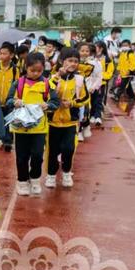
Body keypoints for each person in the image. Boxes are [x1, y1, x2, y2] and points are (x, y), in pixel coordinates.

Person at [6, 52, 60, 196]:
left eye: (39, 71)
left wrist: (47, 105)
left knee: (37, 155)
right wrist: (15, 102)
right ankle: (22, 181)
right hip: (21, 128)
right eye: (32, 70)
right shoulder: (19, 83)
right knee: (21, 156)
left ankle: (35, 179)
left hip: (39, 128)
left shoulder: (48, 84)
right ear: (26, 68)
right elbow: (8, 100)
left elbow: (55, 102)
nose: (35, 73)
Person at [47, 48, 90, 188]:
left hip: (70, 122)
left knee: (68, 149)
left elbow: (85, 98)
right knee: (52, 150)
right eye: (70, 60)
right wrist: (58, 77)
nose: (73, 64)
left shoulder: (79, 80)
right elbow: (47, 91)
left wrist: (71, 103)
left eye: (76, 61)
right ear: (61, 61)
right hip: (53, 122)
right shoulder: (53, 77)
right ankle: (51, 176)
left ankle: (66, 173)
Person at [0, 42, 20, 152]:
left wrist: (14, 98)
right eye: (0, 53)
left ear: (11, 55)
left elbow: (17, 86)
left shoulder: (15, 69)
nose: (1, 56)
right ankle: (0, 137)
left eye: (4, 54)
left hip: (9, 101)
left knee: (8, 121)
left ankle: (8, 142)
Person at [77, 43, 101, 140]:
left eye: (87, 51)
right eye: (82, 51)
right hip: (74, 90)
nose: (84, 53)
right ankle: (78, 131)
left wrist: (93, 87)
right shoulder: (74, 61)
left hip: (86, 90)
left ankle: (85, 126)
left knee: (85, 110)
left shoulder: (94, 63)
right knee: (77, 111)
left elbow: (98, 76)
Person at [94, 41, 114, 125]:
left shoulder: (107, 59)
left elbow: (110, 72)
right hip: (91, 83)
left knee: (99, 100)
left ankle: (98, 116)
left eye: (96, 47)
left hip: (101, 83)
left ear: (101, 48)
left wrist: (101, 76)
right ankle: (92, 115)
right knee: (91, 100)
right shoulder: (91, 57)